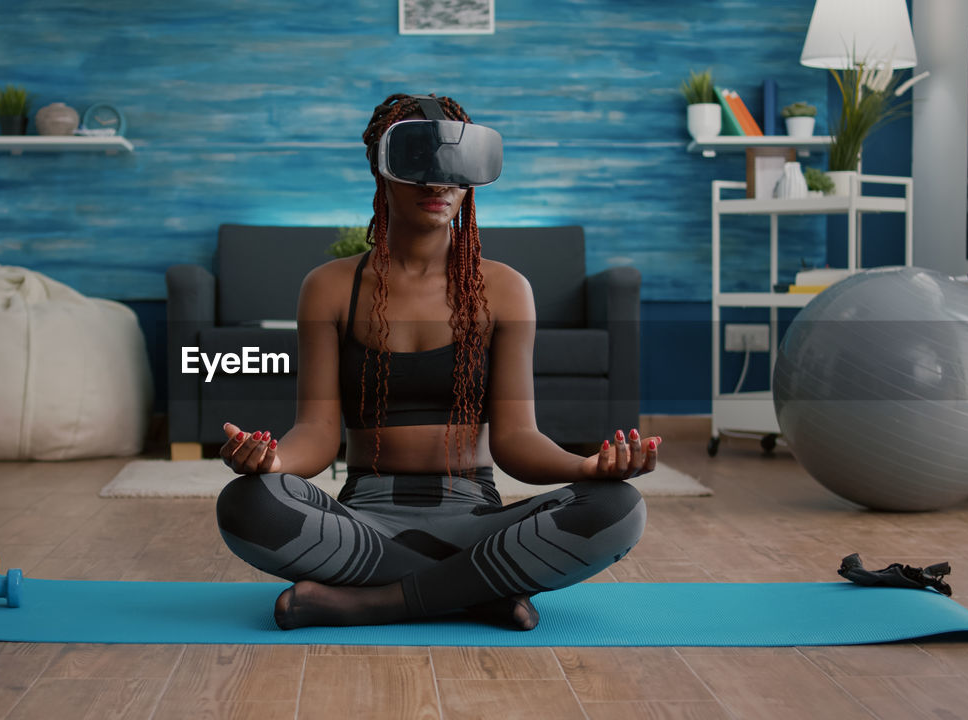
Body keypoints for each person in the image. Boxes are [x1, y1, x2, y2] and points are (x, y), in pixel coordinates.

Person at [214, 93, 658, 631]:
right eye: (419, 165)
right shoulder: (329, 287)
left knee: (620, 509)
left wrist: (587, 468)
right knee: (247, 503)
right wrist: (274, 463)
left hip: (476, 518)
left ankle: (373, 602)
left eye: (454, 168)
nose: (439, 184)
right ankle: (478, 591)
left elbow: (517, 441)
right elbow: (316, 432)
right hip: (363, 522)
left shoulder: (505, 289)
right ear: (381, 169)